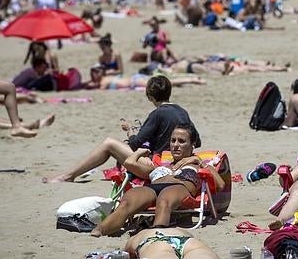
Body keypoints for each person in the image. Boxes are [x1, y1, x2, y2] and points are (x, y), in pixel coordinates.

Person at [43, 76, 201, 183]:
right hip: (173, 161)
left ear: (150, 97)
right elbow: (197, 141)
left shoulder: (158, 113)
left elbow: (135, 144)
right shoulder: (182, 111)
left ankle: (68, 176)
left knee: (109, 143)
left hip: (159, 165)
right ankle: (70, 175)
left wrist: (130, 130)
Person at [91, 125, 225, 237]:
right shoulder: (160, 165)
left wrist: (199, 161)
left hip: (178, 187)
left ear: (192, 145)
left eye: (181, 141)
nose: (175, 145)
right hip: (152, 188)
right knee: (126, 203)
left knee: (164, 201)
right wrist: (138, 153)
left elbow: (220, 184)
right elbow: (129, 163)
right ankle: (100, 230)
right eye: (173, 141)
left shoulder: (197, 165)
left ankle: (155, 234)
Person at [124, 227, 220, 259]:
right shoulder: (178, 229)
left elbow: (126, 254)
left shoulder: (139, 235)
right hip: (187, 241)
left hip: (156, 242)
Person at [84, 67, 206, 90]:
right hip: (136, 79)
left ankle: (193, 80)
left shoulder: (103, 81)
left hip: (135, 81)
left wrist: (88, 84)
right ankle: (191, 78)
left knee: (168, 83)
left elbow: (99, 88)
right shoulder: (106, 77)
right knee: (167, 82)